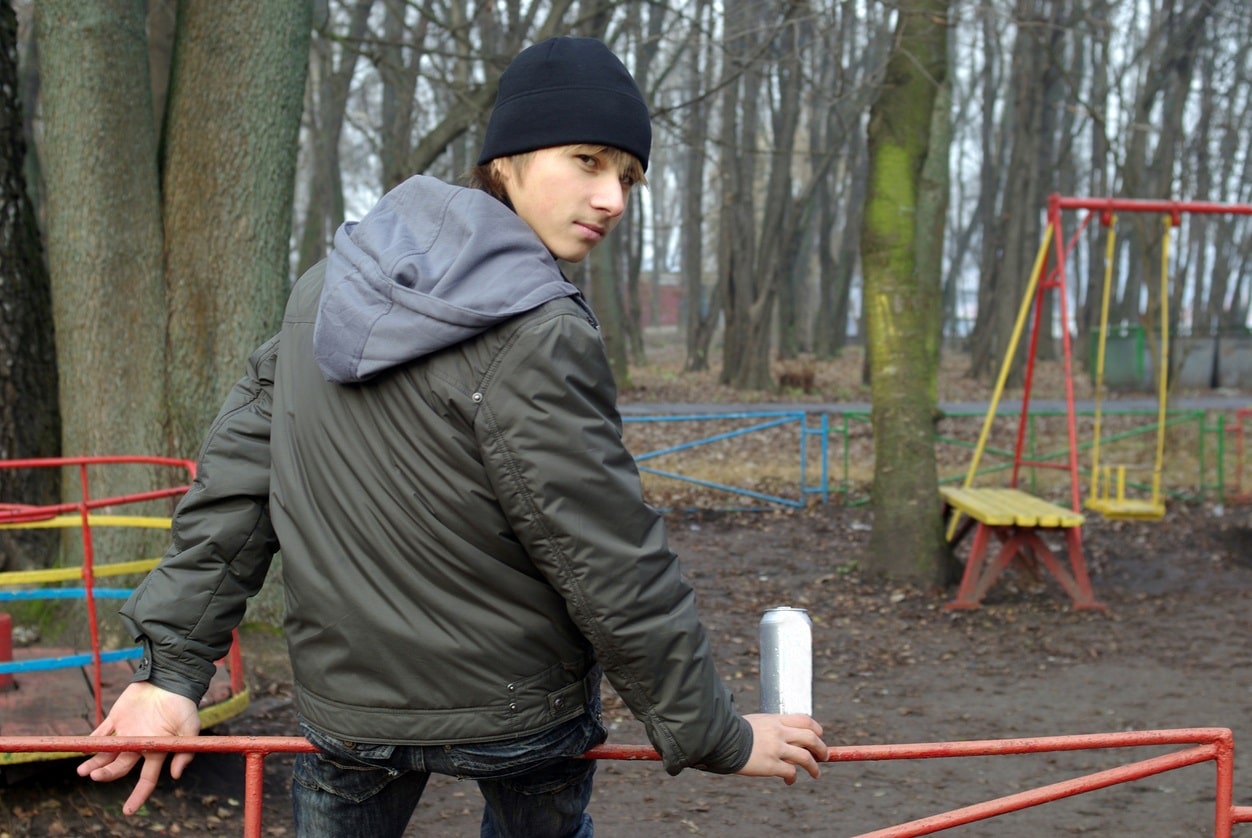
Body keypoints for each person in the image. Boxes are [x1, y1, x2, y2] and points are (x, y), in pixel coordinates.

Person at [77, 36, 828, 836]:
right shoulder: (540, 328)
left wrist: (171, 670)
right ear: (504, 160)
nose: (613, 197)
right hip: (523, 719)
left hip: (348, 713)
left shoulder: (327, 287)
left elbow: (234, 488)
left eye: (629, 176)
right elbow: (609, 557)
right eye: (588, 160)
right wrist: (715, 732)